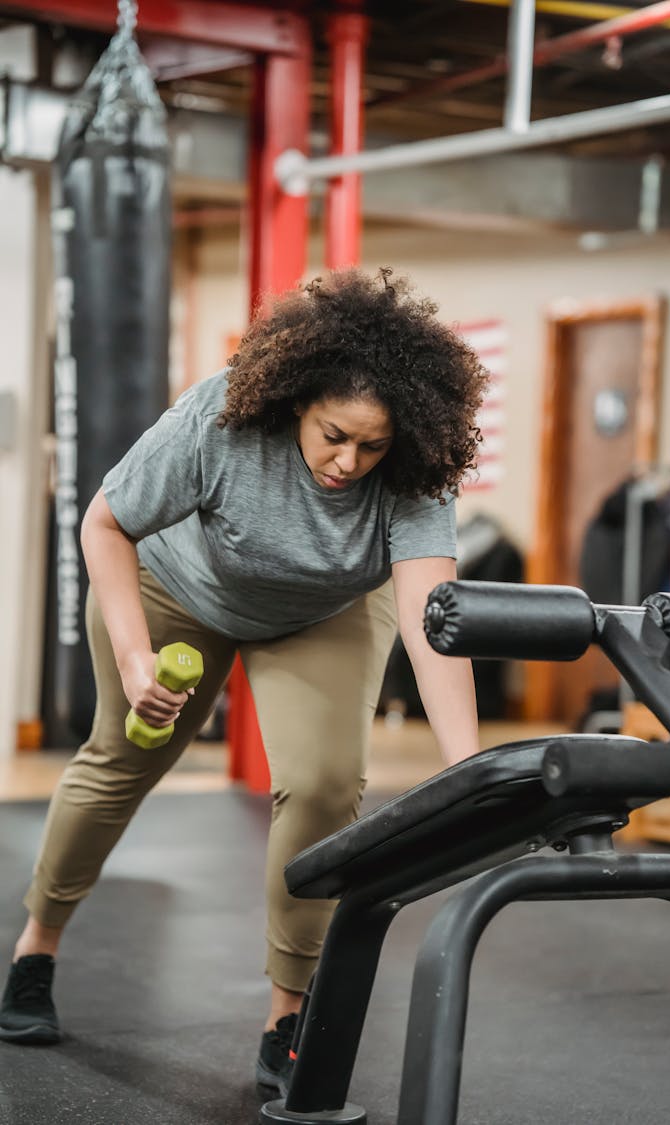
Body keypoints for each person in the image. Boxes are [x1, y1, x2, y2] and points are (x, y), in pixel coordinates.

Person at [0, 267, 489, 1095]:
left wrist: (468, 768)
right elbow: (106, 523)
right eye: (335, 433)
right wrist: (132, 658)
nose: (349, 461)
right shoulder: (221, 418)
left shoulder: (412, 463)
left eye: (371, 446)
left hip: (325, 607)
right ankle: (35, 945)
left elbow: (429, 617)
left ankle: (285, 1015)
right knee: (122, 758)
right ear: (298, 399)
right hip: (179, 588)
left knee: (327, 782)